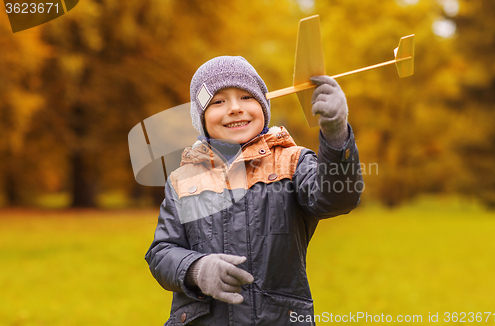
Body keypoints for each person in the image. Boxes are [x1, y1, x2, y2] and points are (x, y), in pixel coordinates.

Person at [145, 56, 363, 325]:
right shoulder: (182, 179)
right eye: (218, 101)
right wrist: (195, 269)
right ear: (200, 117)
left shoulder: (292, 162)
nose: (235, 108)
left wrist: (336, 133)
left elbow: (337, 199)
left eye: (247, 97)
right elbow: (162, 251)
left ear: (264, 105)